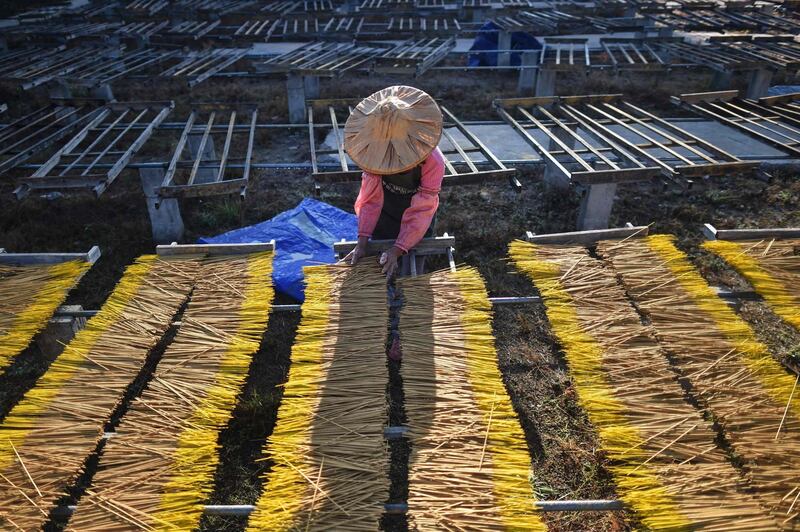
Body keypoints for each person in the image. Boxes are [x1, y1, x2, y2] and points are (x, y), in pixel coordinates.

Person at [342, 85, 445, 278]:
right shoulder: (373, 156)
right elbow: (369, 200)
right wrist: (362, 243)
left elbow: (423, 208)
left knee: (412, 272)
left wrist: (399, 248)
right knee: (381, 270)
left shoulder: (433, 161)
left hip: (418, 217)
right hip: (386, 212)